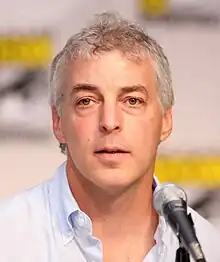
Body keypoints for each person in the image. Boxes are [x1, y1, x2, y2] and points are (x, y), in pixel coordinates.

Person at [0, 11, 219, 262]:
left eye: (133, 101)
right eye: (87, 101)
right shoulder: (6, 237)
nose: (110, 122)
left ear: (166, 121)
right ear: (58, 121)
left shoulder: (207, 247)